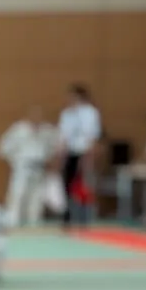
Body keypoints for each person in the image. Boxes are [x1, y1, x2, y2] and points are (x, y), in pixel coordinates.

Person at [0, 107, 57, 227]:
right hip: (23, 166)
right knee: (18, 193)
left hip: (40, 167)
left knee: (37, 196)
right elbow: (3, 148)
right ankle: (13, 222)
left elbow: (55, 147)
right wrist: (15, 161)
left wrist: (50, 160)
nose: (36, 119)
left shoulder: (47, 131)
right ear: (28, 117)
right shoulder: (18, 129)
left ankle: (34, 222)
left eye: (39, 117)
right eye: (34, 116)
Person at [56, 84, 101, 226]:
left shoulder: (90, 112)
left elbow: (92, 134)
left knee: (84, 185)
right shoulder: (66, 114)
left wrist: (89, 155)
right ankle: (67, 215)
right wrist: (60, 155)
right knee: (67, 185)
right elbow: (63, 136)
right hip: (70, 153)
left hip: (84, 152)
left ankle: (85, 217)